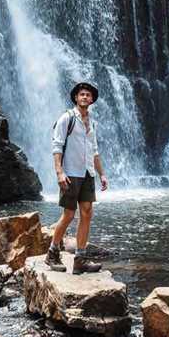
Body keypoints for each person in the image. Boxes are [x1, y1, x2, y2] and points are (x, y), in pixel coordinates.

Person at [44, 82, 109, 275]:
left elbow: (94, 152)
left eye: (88, 95)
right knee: (69, 214)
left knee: (87, 212)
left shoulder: (92, 123)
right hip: (70, 173)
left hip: (87, 173)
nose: (85, 97)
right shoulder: (67, 118)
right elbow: (57, 146)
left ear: (92, 100)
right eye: (82, 94)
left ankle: (80, 258)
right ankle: (52, 253)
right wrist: (59, 172)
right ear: (75, 98)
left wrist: (102, 174)